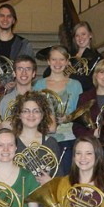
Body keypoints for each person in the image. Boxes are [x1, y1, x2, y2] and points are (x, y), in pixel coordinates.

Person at [33, 45, 83, 174]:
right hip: (45, 138)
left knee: (66, 177)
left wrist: (69, 117)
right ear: (48, 61)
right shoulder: (39, 85)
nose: (58, 63)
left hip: (68, 138)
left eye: (61, 59)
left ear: (67, 62)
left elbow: (81, 112)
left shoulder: (76, 85)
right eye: (54, 59)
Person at [42, 21, 101, 93]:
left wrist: (70, 75)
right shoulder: (68, 55)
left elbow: (93, 83)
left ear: (90, 35)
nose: (80, 38)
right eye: (77, 35)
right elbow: (46, 74)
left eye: (83, 34)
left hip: (84, 97)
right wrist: (61, 67)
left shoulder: (98, 58)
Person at [0, 55, 38, 137]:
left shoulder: (42, 99)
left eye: (28, 69)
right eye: (20, 69)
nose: (24, 73)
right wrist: (2, 126)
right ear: (14, 73)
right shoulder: (3, 100)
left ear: (33, 74)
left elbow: (52, 127)